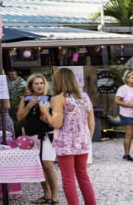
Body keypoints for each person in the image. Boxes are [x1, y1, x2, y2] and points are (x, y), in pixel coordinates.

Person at [41, 68, 96, 205]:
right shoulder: (84, 96)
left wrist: (46, 113)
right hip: (83, 141)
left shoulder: (58, 99)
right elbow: (92, 122)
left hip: (65, 143)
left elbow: (57, 124)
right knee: (83, 175)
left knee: (68, 177)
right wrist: (87, 139)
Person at [16, 74, 58, 205]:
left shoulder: (51, 99)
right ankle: (47, 194)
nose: (39, 86)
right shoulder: (26, 99)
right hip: (33, 136)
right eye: (36, 83)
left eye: (41, 83)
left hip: (48, 134)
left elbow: (56, 120)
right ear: (31, 86)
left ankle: (55, 197)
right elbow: (19, 117)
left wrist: (48, 117)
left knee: (48, 165)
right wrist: (30, 105)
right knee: (39, 166)